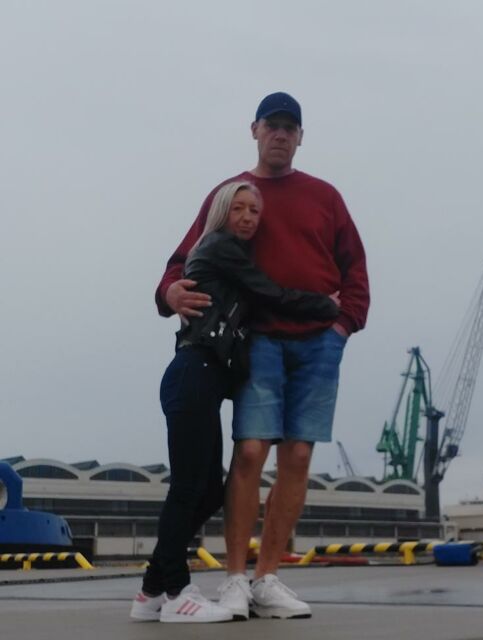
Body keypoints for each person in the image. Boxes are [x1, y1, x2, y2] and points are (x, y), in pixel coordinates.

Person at [155, 92, 370, 620]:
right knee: (250, 452)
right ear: (254, 130)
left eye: (289, 128)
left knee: (296, 458)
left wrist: (343, 325)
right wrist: (168, 293)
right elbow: (183, 258)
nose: (280, 134)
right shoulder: (231, 195)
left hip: (319, 342)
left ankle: (267, 578)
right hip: (260, 341)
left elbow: (355, 268)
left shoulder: (326, 196)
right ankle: (234, 579)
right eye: (271, 125)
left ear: (301, 137)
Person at [130, 180, 340, 623]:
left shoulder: (232, 255)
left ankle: (149, 592)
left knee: (209, 491)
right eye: (238, 208)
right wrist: (326, 306)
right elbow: (270, 292)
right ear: (222, 211)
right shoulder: (219, 247)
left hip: (206, 381)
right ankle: (176, 593)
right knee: (188, 488)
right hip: (193, 373)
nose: (247, 218)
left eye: (254, 211)